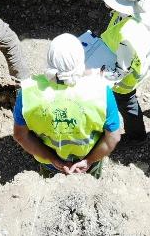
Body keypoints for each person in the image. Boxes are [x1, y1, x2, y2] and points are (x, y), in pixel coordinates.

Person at [12, 34, 122, 178]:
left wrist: (52, 159)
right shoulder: (101, 92)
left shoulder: (27, 93)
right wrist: (88, 161)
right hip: (86, 161)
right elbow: (113, 137)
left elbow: (20, 136)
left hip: (51, 163)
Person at [97, 0, 150, 145]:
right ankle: (137, 135)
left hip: (126, 78)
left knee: (127, 101)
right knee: (128, 101)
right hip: (141, 59)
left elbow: (120, 71)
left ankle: (136, 136)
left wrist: (98, 74)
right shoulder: (144, 2)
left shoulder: (127, 34)